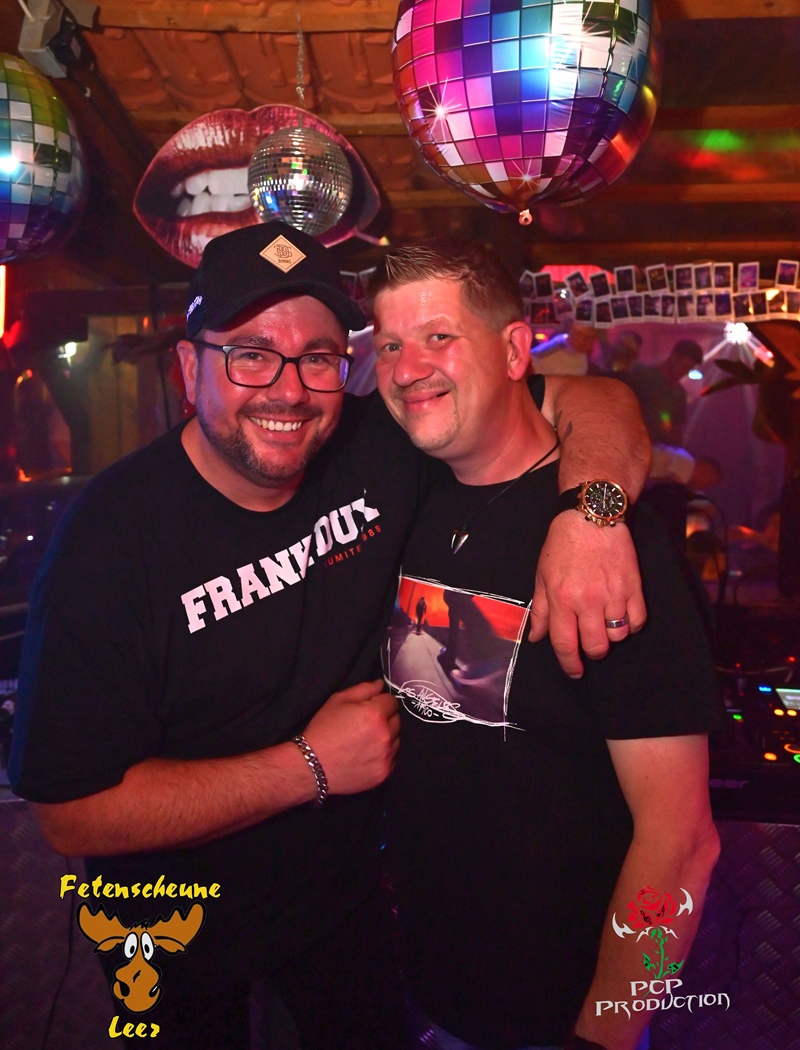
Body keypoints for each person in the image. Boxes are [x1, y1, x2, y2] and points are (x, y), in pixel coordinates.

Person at [9, 222, 650, 1050]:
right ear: (189, 370)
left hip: (341, 912)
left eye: (317, 358)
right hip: (166, 925)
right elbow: (70, 813)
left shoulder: (375, 446)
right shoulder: (109, 542)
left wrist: (592, 516)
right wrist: (308, 767)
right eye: (250, 354)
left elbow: (593, 400)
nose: (288, 390)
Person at [369, 243, 722, 1050]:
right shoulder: (413, 491)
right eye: (388, 344)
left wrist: (608, 1031)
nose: (407, 368)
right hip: (424, 998)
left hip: (560, 1021)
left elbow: (682, 844)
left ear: (514, 351)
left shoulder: (613, 548)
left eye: (438, 337)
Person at [623, 338, 704, 448]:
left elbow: (676, 432)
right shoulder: (642, 374)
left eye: (688, 370)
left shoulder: (679, 394)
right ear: (674, 357)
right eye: (684, 367)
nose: (684, 373)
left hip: (654, 447)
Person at [530, 321, 599, 376]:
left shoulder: (583, 354)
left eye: (589, 337)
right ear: (571, 330)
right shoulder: (548, 353)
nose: (582, 341)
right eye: (578, 334)